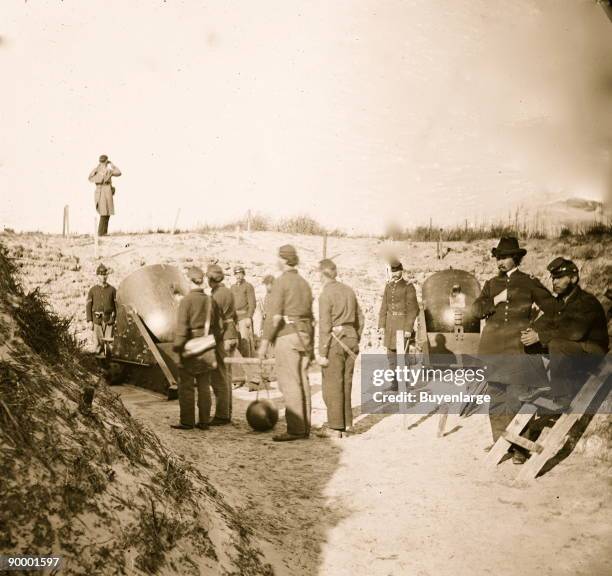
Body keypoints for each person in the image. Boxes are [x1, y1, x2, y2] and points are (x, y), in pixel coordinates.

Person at [472, 236, 556, 462]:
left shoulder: (529, 282)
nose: (500, 261)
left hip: (519, 350)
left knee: (517, 398)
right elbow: (476, 311)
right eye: (498, 257)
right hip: (493, 350)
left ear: (516, 258)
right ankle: (501, 444)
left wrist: (537, 332)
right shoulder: (491, 284)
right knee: (496, 397)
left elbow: (555, 310)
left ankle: (520, 449)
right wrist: (496, 299)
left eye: (505, 257)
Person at [519, 257, 609, 407]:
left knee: (556, 344)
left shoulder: (586, 302)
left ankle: (563, 397)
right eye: (554, 278)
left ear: (573, 278)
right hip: (573, 350)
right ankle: (539, 384)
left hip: (593, 353)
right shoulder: (560, 301)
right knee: (529, 341)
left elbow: (575, 333)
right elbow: (547, 319)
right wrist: (532, 330)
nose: (555, 282)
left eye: (560, 278)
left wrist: (540, 336)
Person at [258, 245, 314, 442]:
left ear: (282, 260)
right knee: (303, 380)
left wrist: (264, 344)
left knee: (289, 382)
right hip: (305, 335)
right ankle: (305, 427)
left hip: (288, 336)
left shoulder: (282, 282)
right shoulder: (304, 283)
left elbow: (273, 316)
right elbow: (310, 315)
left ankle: (296, 429)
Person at [316, 259, 364, 438]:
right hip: (351, 340)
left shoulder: (325, 294)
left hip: (335, 342)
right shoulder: (349, 290)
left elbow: (324, 326)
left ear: (321, 274)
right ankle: (346, 424)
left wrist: (322, 352)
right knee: (346, 382)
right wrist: (353, 335)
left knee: (332, 384)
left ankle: (335, 427)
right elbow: (361, 317)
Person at [171, 266, 223, 430]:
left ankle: (187, 421)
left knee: (186, 387)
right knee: (204, 386)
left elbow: (181, 329)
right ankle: (204, 421)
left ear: (189, 281)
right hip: (207, 348)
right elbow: (219, 327)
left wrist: (178, 350)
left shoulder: (186, 301)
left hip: (189, 347)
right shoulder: (210, 300)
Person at [206, 263, 239, 424]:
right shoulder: (228, 291)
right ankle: (228, 411)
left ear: (211, 279)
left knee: (219, 375)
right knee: (228, 375)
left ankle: (222, 415)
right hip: (232, 333)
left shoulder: (216, 295)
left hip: (223, 337)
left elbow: (216, 323)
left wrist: (211, 339)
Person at [377, 259, 419, 390]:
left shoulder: (408, 287)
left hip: (402, 326)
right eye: (393, 271)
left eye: (397, 271)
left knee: (403, 357)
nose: (394, 274)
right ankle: (394, 384)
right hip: (390, 326)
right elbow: (384, 307)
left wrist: (408, 328)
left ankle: (404, 384)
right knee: (391, 356)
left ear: (402, 271)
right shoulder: (388, 287)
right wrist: (381, 325)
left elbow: (413, 309)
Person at [86, 263, 117, 357]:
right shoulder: (93, 290)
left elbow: (116, 305)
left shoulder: (112, 290)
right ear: (97, 276)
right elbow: (88, 305)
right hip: (97, 320)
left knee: (109, 344)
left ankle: (109, 363)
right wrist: (90, 320)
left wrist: (116, 318)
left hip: (109, 320)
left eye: (105, 275)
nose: (104, 277)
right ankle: (98, 366)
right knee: (98, 345)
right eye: (101, 275)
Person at [88, 155, 121, 236]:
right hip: (101, 190)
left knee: (108, 212)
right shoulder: (99, 170)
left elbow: (119, 173)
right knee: (104, 212)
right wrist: (112, 165)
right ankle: (100, 233)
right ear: (106, 161)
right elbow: (118, 172)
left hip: (107, 189)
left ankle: (104, 233)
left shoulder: (102, 170)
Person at [231, 265, 257, 357]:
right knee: (236, 341)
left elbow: (252, 304)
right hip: (235, 319)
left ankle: (248, 363)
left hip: (244, 317)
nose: (238, 276)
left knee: (245, 341)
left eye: (240, 274)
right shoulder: (232, 287)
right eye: (236, 274)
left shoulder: (248, 286)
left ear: (244, 274)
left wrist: (249, 317)